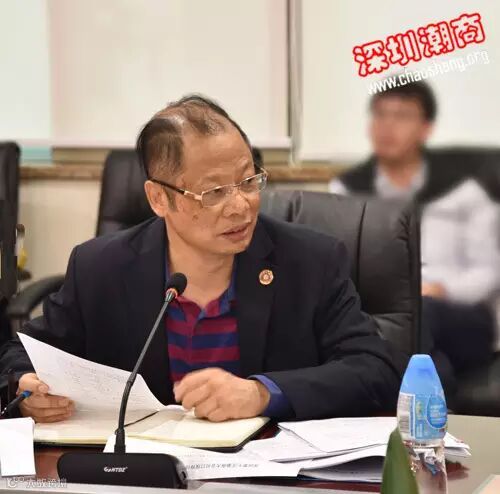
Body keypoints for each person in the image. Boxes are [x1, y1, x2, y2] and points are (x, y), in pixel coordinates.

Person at [0, 95, 405, 424]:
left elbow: (376, 370)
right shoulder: (101, 267)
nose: (240, 206)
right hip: (144, 476)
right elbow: (24, 353)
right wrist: (26, 386)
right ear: (159, 199)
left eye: (248, 180)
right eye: (214, 192)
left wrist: (262, 393)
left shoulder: (310, 261)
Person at [329, 80, 500, 396]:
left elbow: (489, 271)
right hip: (381, 313)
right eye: (380, 115)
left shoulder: (463, 190)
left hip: (458, 315)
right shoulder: (347, 190)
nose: (387, 126)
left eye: (402, 116)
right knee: (433, 363)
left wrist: (441, 288)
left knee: (419, 312)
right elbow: (338, 264)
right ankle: (431, 400)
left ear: (425, 129)